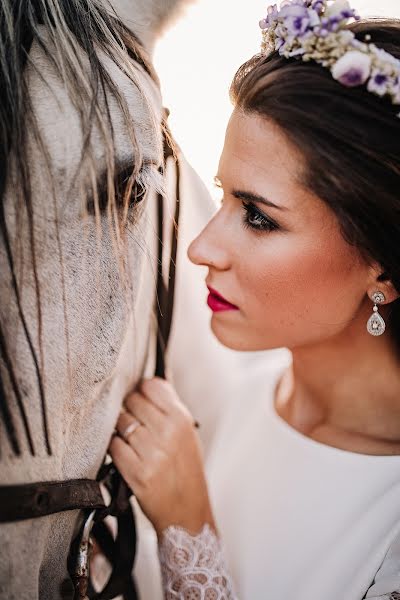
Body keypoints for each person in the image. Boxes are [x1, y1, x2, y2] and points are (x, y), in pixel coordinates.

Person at [109, 1, 400, 598]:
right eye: (223, 197)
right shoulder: (232, 398)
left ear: (385, 269)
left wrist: (188, 534)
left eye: (259, 218)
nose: (201, 249)